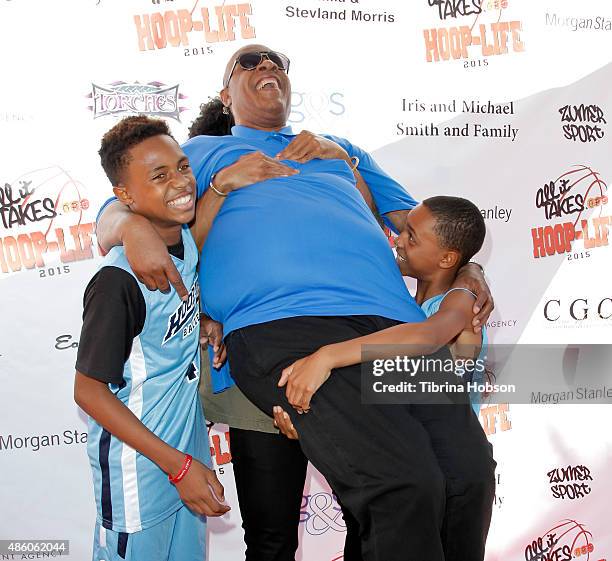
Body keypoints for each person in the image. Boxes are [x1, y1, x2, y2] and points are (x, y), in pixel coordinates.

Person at [95, 45, 495, 561]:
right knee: (402, 481)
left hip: (390, 326)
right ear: (225, 95)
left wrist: (471, 270)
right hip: (283, 325)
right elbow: (115, 207)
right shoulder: (200, 151)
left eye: (276, 62)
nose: (267, 67)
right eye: (250, 62)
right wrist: (132, 230)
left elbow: (431, 233)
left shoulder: (340, 149)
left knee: (468, 473)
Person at [73, 116, 232, 561]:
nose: (180, 182)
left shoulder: (184, 239)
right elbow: (88, 391)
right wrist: (178, 467)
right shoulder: (117, 282)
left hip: (184, 448)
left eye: (182, 167)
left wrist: (200, 319)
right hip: (138, 467)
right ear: (123, 196)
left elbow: (158, 326)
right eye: (158, 176)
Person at [278, 196, 489, 416]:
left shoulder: (465, 303)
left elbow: (427, 336)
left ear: (446, 259)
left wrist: (326, 357)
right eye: (404, 231)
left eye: (412, 238)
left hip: (450, 446)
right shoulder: (399, 303)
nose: (399, 241)